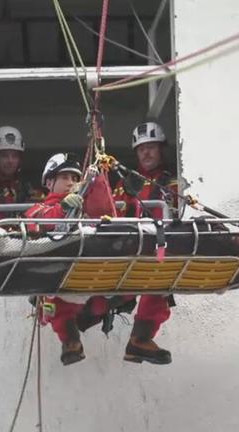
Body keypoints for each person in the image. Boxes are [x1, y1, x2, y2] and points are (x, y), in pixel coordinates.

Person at [78, 122, 178, 365]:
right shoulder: (127, 182)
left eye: (151, 147)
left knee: (158, 286)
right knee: (120, 289)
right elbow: (113, 214)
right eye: (141, 149)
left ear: (161, 149)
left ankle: (138, 340)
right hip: (129, 245)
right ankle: (82, 318)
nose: (146, 153)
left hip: (158, 247)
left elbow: (177, 214)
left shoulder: (173, 183)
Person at [24, 153, 91, 365]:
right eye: (64, 177)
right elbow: (37, 223)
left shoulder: (85, 210)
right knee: (59, 308)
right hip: (56, 276)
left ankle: (141, 337)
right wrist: (62, 209)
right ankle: (71, 342)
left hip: (89, 274)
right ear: (49, 182)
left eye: (74, 178)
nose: (71, 182)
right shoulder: (39, 209)